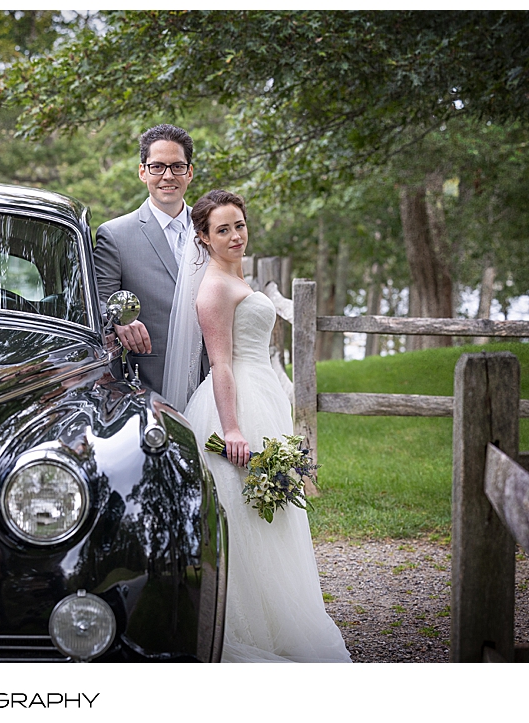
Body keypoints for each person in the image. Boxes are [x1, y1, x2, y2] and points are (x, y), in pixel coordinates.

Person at [174, 189, 352, 663]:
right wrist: (232, 430)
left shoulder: (239, 277)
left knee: (268, 519)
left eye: (240, 225)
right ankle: (244, 631)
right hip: (236, 407)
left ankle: (281, 620)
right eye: (223, 229)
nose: (235, 236)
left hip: (263, 396)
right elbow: (222, 364)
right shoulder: (213, 287)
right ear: (204, 238)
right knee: (242, 515)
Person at [94, 123, 206, 396]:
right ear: (143, 172)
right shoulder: (115, 235)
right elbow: (97, 302)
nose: (168, 176)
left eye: (177, 166)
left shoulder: (210, 228)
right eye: (157, 167)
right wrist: (120, 320)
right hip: (151, 382)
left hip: (213, 377)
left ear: (189, 173)